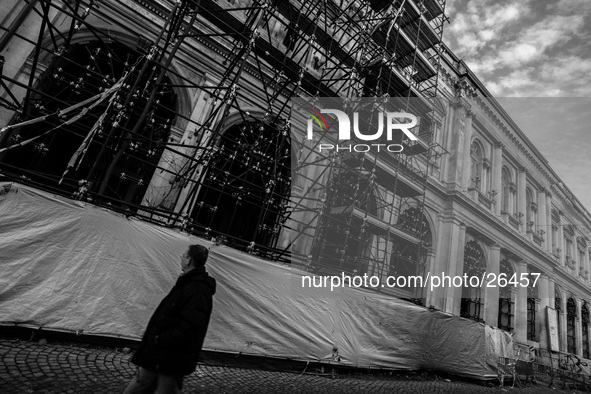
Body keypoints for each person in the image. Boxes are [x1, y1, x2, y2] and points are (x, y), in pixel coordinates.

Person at [123, 244, 216, 394]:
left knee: (161, 389)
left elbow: (191, 326)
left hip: (169, 354)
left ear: (189, 260)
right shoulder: (189, 282)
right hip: (161, 352)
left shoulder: (197, 288)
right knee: (143, 382)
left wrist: (161, 338)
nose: (181, 258)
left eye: (184, 256)